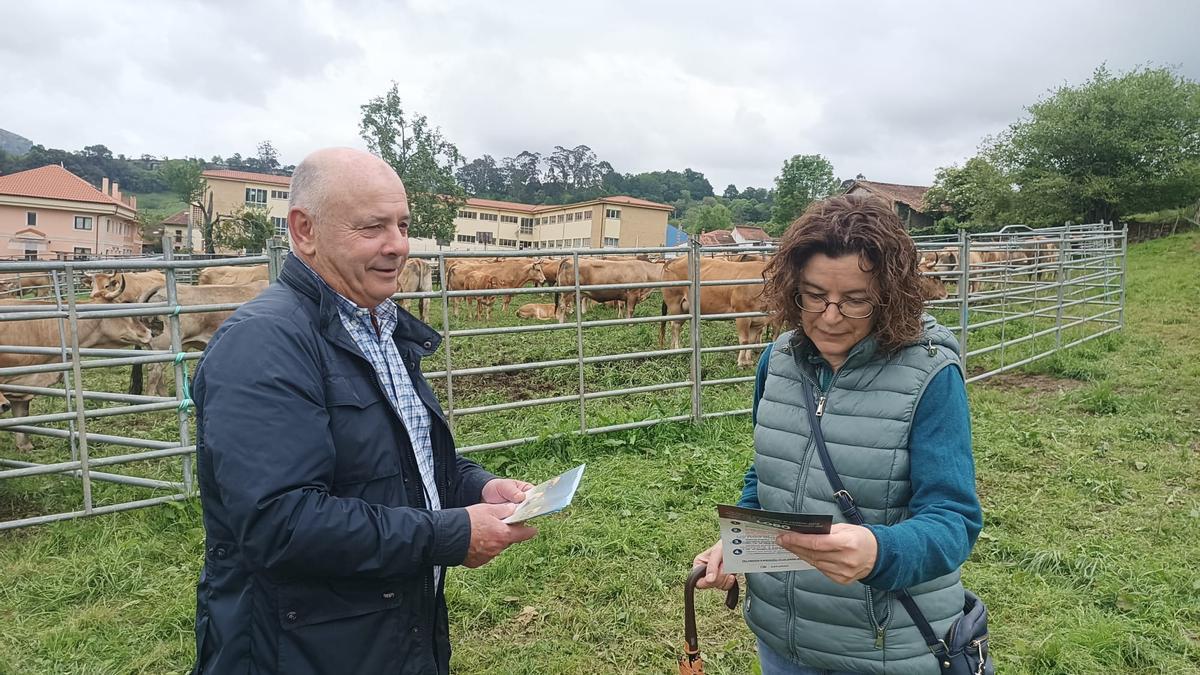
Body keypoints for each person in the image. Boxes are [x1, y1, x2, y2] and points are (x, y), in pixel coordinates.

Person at [191, 148, 537, 675]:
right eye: (373, 227)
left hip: (386, 630)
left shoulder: (380, 327)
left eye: (402, 224)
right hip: (298, 647)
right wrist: (450, 534)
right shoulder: (263, 344)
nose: (397, 245)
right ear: (304, 230)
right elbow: (279, 523)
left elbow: (402, 462)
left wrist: (474, 488)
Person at [692, 195, 983, 674]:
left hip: (883, 648)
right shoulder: (779, 360)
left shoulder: (931, 375)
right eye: (813, 295)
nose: (829, 316)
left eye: (855, 301)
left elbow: (954, 520)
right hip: (781, 639)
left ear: (891, 295)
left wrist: (880, 552)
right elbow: (770, 469)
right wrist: (741, 542)